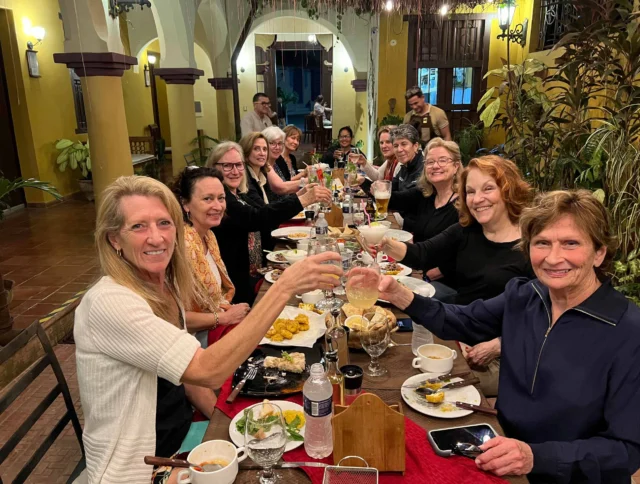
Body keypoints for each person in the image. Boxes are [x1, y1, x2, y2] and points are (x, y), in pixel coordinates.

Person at [74, 175, 342, 483]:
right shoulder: (110, 302)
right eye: (138, 226)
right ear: (114, 239)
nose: (157, 238)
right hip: (136, 469)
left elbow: (187, 378)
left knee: (281, 440)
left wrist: (231, 424)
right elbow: (206, 370)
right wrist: (285, 286)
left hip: (183, 438)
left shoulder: (161, 285)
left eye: (164, 223)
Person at [378, 190, 640, 483]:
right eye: (542, 243)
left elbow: (626, 450)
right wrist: (399, 294)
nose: (553, 258)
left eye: (570, 243)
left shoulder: (629, 332)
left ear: (599, 252)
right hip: (496, 449)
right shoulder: (527, 294)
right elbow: (461, 321)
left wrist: (534, 457)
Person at [379, 155, 533, 396]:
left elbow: (540, 320)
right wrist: (384, 243)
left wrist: (497, 346)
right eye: (470, 191)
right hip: (458, 329)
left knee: (423, 389)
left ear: (508, 190)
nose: (477, 199)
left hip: (501, 355)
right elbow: (422, 254)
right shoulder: (468, 230)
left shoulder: (533, 246)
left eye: (488, 189)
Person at [207, 142, 332, 304]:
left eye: (238, 165)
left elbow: (265, 210)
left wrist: (299, 194)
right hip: (235, 287)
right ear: (213, 168)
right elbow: (256, 218)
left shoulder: (238, 193)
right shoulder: (222, 198)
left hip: (254, 273)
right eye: (227, 166)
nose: (235, 171)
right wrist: (303, 200)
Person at [172, 167, 250, 348]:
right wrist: (223, 317)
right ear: (185, 204)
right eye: (208, 199)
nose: (218, 206)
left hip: (213, 332)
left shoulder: (208, 236)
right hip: (191, 346)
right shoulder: (180, 246)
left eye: (221, 198)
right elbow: (176, 317)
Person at [379, 136, 460, 245]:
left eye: (442, 160)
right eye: (430, 162)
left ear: (456, 166)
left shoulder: (463, 204)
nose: (435, 166)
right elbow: (396, 200)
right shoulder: (425, 194)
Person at [239, 132, 301, 205]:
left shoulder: (262, 172)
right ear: (246, 151)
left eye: (264, 149)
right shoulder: (245, 177)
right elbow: (264, 210)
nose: (262, 153)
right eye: (256, 149)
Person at [390, 124, 425, 193]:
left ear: (415, 146)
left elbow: (406, 198)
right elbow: (389, 190)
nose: (399, 149)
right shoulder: (404, 165)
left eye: (404, 144)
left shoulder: (425, 168)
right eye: (396, 146)